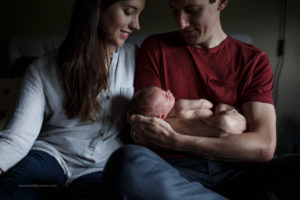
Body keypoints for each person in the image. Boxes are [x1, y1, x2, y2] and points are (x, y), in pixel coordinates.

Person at [103, 0, 300, 199]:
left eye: (191, 10)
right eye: (175, 11)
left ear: (221, 2)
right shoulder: (156, 48)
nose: (181, 23)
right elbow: (142, 127)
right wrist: (218, 126)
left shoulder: (254, 60)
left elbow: (263, 146)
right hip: (176, 172)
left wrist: (175, 140)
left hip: (242, 170)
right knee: (126, 163)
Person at [0, 0, 145, 199]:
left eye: (139, 15)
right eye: (128, 12)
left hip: (102, 167)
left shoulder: (138, 59)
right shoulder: (43, 69)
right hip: (50, 157)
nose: (136, 25)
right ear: (98, 9)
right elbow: (17, 137)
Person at [129, 86, 246, 136]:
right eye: (166, 96)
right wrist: (210, 106)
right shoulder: (180, 105)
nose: (169, 91)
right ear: (161, 116)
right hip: (215, 116)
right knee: (221, 107)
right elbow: (202, 103)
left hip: (211, 129)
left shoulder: (162, 125)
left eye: (164, 90)